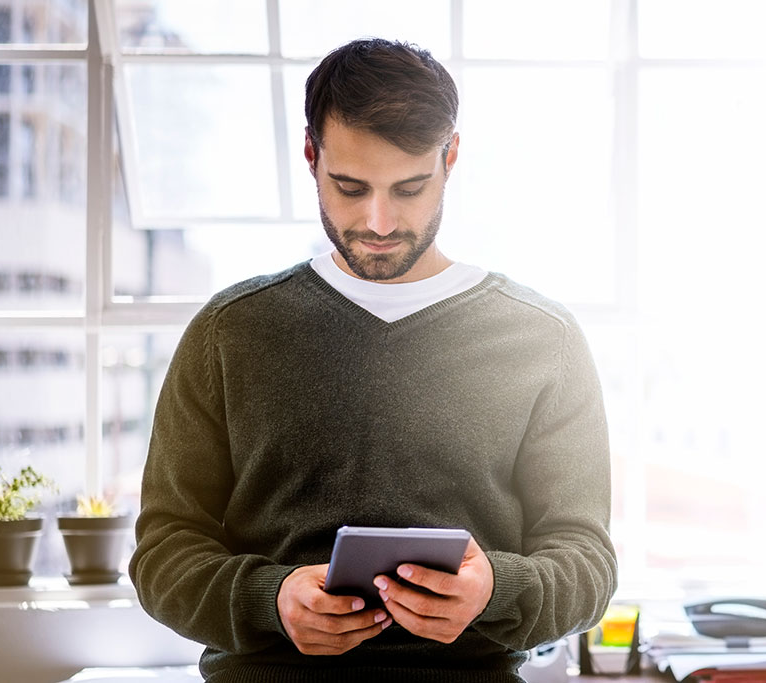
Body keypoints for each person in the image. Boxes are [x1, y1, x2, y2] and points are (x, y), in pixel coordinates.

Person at [130, 38, 616, 683]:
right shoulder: (230, 331)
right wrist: (269, 600)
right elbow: (163, 552)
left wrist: (493, 589)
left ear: (451, 158)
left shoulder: (542, 338)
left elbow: (587, 564)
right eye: (350, 187)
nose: (380, 222)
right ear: (311, 156)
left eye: (409, 189)